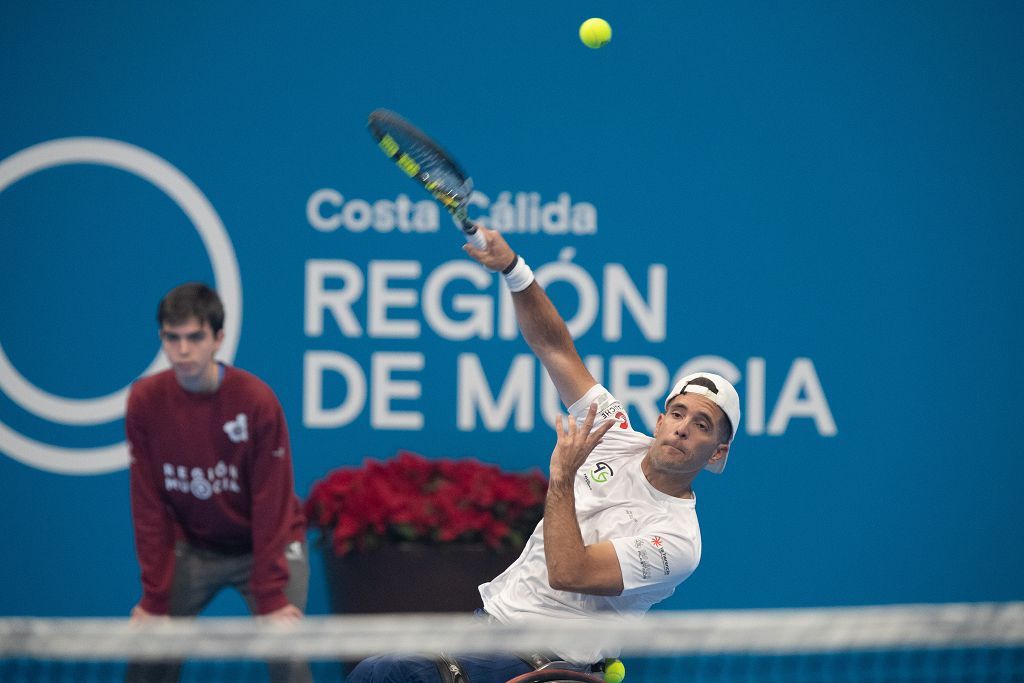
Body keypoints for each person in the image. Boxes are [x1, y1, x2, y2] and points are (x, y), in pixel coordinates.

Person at [348, 226, 741, 683]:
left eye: (702, 425)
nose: (682, 429)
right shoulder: (611, 432)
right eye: (678, 413)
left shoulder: (677, 540)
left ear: (716, 454)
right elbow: (554, 346)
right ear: (659, 420)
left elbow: (569, 571)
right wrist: (515, 271)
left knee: (386, 674)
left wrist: (561, 477)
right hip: (487, 629)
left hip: (551, 662)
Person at [125, 282, 311, 683]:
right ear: (162, 339)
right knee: (148, 653)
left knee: (288, 654)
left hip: (270, 544)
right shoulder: (144, 402)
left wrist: (272, 597)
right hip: (195, 548)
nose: (184, 350)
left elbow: (271, 504)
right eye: (172, 338)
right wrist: (154, 600)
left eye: (195, 337)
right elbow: (149, 507)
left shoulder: (256, 401)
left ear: (218, 339)